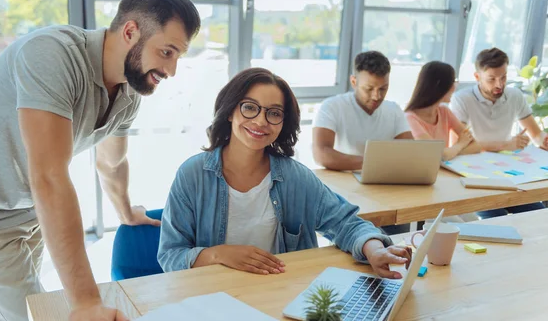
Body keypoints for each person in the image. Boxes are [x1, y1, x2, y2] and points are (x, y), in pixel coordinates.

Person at [0, 0, 200, 321]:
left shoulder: (129, 92)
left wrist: (125, 211)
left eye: (178, 55)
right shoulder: (52, 54)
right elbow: (48, 176)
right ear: (130, 31)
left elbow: (111, 162)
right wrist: (85, 301)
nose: (171, 69)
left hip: (27, 211)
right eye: (166, 52)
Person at [157, 68, 412, 280]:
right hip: (212, 297)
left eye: (274, 113)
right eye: (250, 107)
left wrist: (375, 249)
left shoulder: (295, 177)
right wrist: (218, 254)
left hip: (281, 292)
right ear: (231, 110)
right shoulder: (192, 175)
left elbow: (346, 223)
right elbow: (170, 254)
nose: (260, 121)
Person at [450, 47, 546, 219]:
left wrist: (543, 140)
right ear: (477, 77)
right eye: (491, 79)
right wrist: (505, 145)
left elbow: (536, 134)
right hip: (476, 176)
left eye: (503, 77)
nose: (499, 84)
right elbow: (457, 147)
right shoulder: (461, 100)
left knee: (538, 215)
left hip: (508, 173)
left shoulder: (514, 95)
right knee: (497, 219)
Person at [312, 50, 413, 171]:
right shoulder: (332, 106)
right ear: (354, 82)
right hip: (341, 180)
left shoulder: (394, 110)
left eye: (383, 88)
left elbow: (410, 153)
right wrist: (373, 163)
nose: (376, 96)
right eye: (369, 89)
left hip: (381, 180)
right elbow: (320, 154)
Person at [405, 61, 481, 161]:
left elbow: (476, 146)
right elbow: (438, 154)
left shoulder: (444, 111)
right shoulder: (410, 118)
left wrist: (452, 152)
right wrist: (460, 144)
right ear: (440, 86)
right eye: (453, 82)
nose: (455, 87)